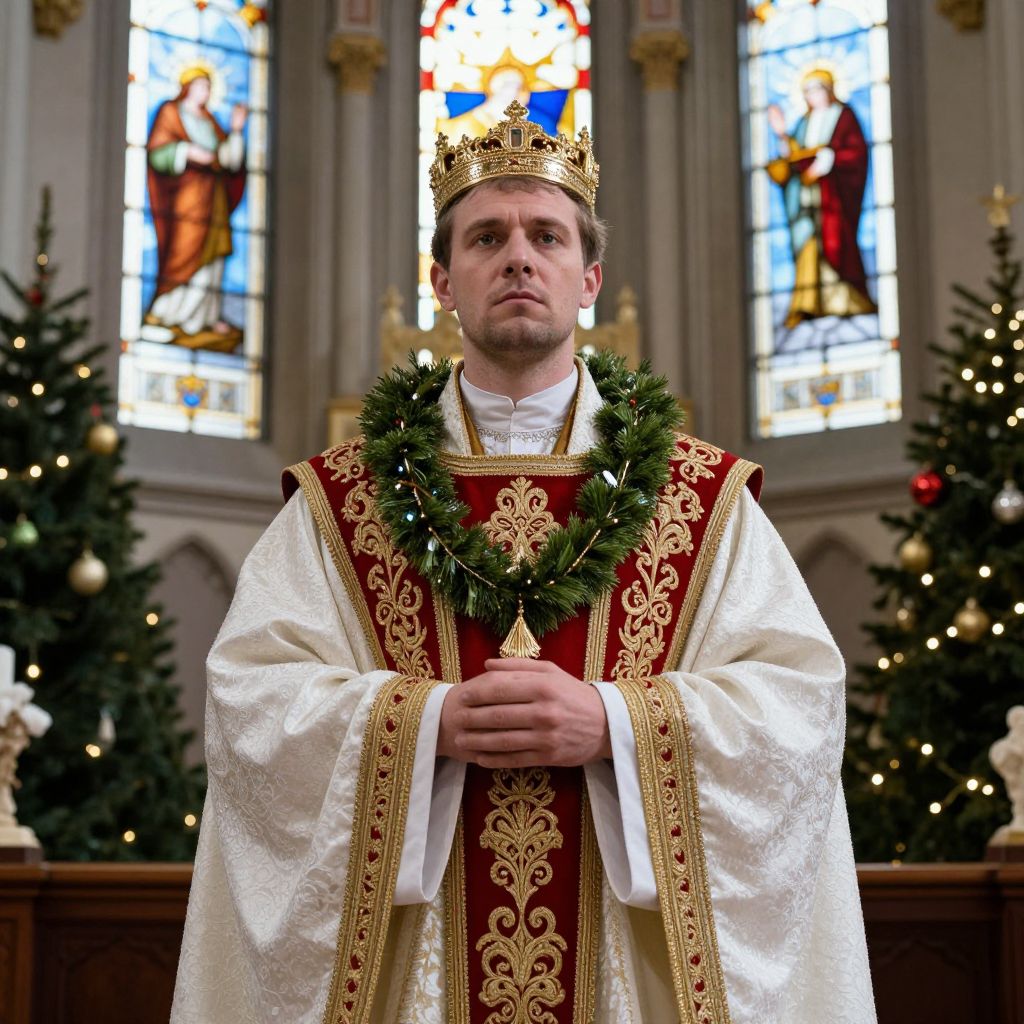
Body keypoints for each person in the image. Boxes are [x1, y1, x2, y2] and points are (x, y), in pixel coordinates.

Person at [171, 102, 876, 1023]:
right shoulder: (335, 506)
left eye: (546, 235)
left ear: (587, 279)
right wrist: (424, 725)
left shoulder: (703, 502)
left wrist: (619, 725)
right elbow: (249, 701)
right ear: (442, 279)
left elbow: (801, 705)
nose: (517, 257)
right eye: (486, 237)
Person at [144, 64, 248, 352]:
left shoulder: (210, 121)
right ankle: (169, 314)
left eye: (210, 87)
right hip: (185, 200)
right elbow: (157, 153)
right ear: (188, 86)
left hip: (213, 201)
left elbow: (228, 160)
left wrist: (237, 131)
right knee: (183, 252)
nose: (207, 92)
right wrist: (186, 151)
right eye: (203, 86)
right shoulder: (171, 112)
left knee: (212, 258)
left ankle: (203, 318)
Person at [766, 66, 877, 330]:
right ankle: (806, 304)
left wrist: (828, 162)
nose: (812, 96)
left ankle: (847, 300)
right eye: (807, 92)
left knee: (837, 244)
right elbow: (794, 157)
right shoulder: (804, 123)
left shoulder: (843, 116)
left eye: (816, 90)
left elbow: (855, 153)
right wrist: (782, 134)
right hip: (806, 199)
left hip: (834, 198)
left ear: (828, 90)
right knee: (808, 245)